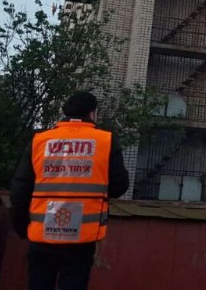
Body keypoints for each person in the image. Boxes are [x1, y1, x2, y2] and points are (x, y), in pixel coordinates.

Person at [10, 91, 130, 290]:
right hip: (82, 238)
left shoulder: (40, 140)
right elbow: (119, 187)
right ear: (92, 114)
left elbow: (20, 192)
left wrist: (22, 229)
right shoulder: (106, 141)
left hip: (41, 237)